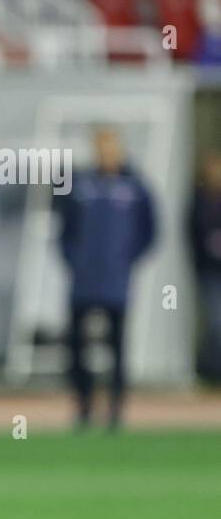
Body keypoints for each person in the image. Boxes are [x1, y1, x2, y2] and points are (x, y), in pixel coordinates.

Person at [56, 127, 156, 429]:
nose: (106, 154)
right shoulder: (81, 185)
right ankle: (84, 406)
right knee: (77, 346)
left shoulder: (135, 186)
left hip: (116, 281)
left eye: (110, 148)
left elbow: (149, 231)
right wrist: (73, 261)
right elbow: (65, 230)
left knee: (117, 346)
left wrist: (127, 261)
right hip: (83, 280)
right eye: (101, 148)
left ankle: (115, 410)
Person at [189, 149, 221, 382]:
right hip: (209, 270)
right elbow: (193, 233)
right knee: (215, 322)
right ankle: (210, 370)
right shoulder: (199, 199)